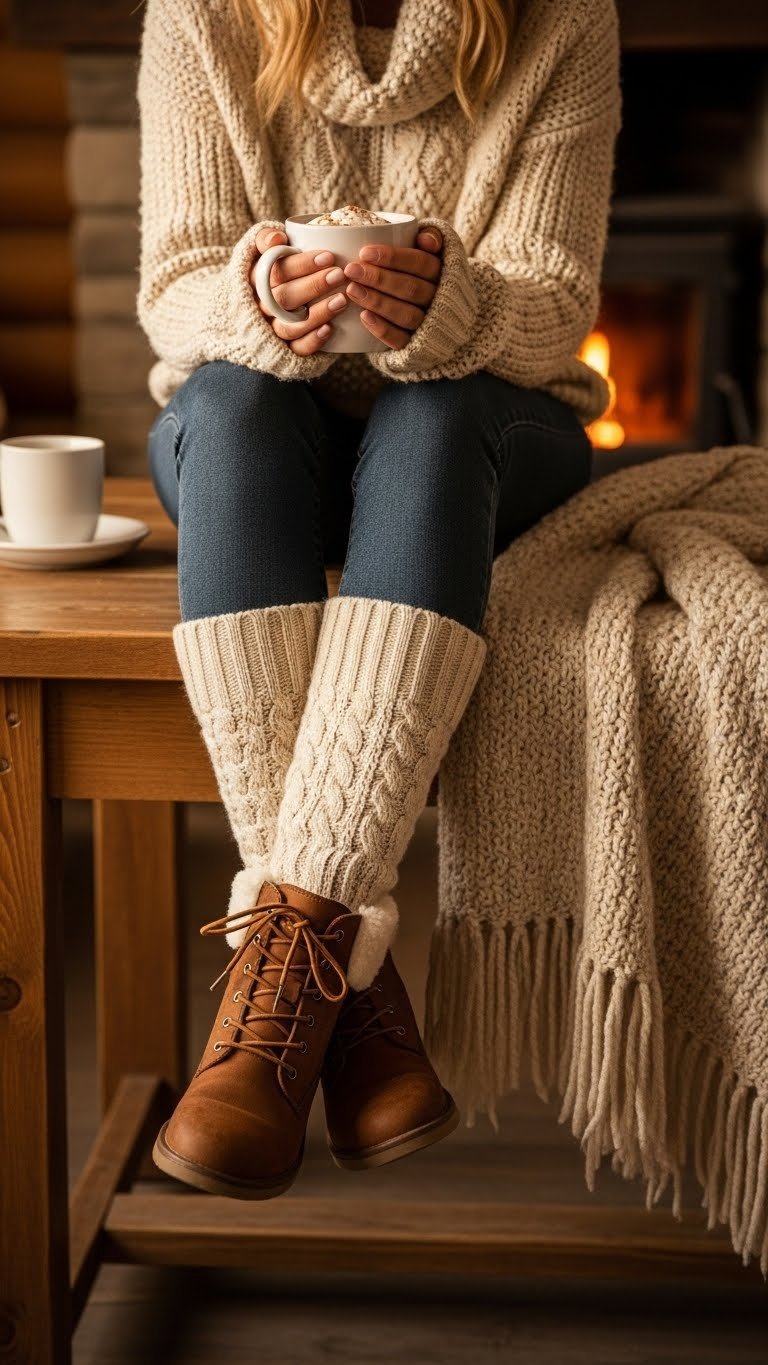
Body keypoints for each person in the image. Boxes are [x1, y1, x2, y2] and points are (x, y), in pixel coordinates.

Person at [137, 0, 621, 1199]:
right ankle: (347, 1002)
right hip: (259, 433)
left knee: (432, 416)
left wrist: (445, 306)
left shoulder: (565, 16)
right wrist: (254, 300)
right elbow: (175, 286)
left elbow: (556, 296)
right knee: (234, 410)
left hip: (487, 429)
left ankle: (270, 1007)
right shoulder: (201, 13)